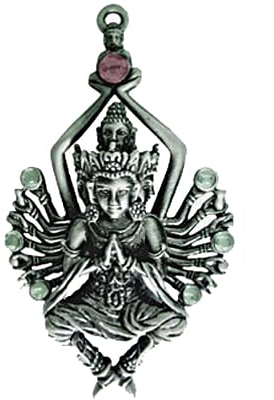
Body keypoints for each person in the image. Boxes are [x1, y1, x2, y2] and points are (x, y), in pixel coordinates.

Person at [44, 102, 187, 395]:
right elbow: (67, 277)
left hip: (136, 305)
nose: (113, 201)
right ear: (90, 192)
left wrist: (124, 95)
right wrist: (96, 263)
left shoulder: (146, 224)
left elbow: (159, 275)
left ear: (136, 191)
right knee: (54, 323)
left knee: (176, 322)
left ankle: (129, 363)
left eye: (122, 192)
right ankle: (99, 367)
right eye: (104, 192)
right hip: (92, 304)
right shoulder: (84, 226)